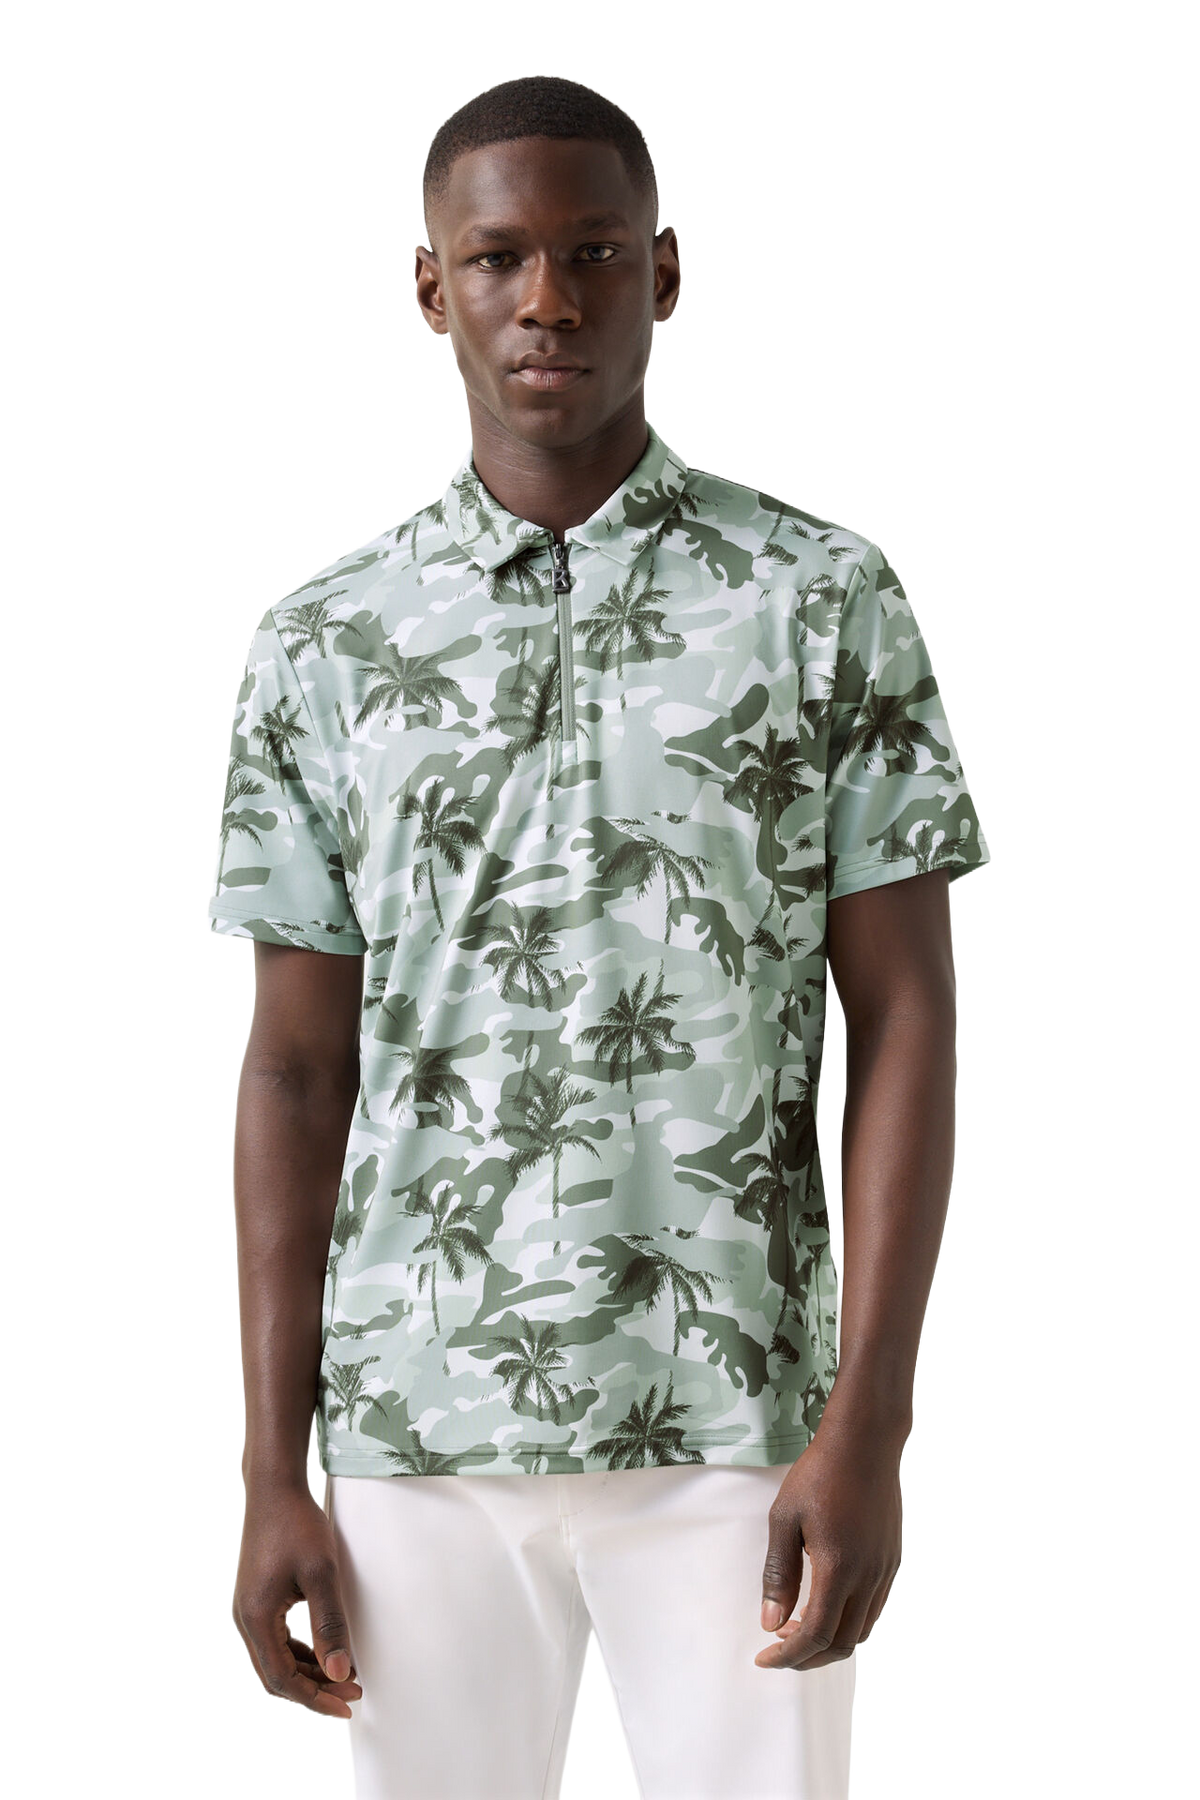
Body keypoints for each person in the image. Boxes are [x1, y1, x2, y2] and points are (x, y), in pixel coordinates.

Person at [205, 72, 994, 1800]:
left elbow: (908, 1019)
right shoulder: (321, 641)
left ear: (669, 273)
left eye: (596, 252)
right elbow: (293, 1064)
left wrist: (871, 1425)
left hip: (741, 1418)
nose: (549, 298)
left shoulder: (823, 594)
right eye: (498, 258)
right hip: (415, 1428)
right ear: (432, 289)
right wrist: (273, 1470)